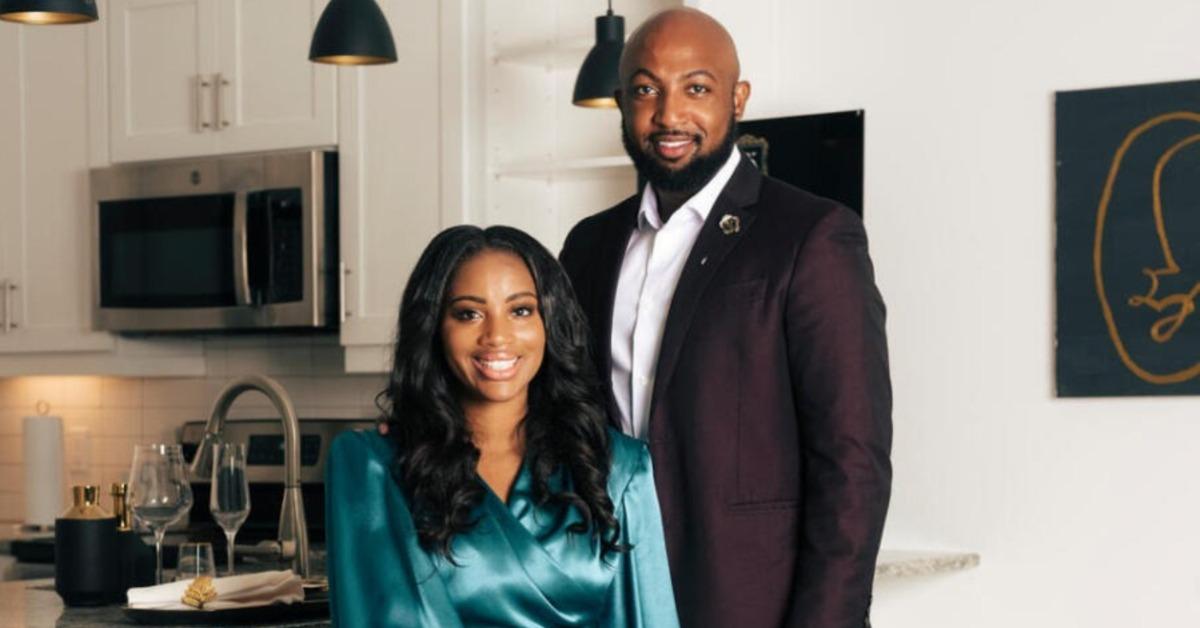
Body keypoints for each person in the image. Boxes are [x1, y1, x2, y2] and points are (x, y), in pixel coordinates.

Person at [559, 8, 892, 628]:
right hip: (611, 597)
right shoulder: (589, 246)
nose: (668, 114)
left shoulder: (812, 236)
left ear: (738, 99)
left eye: (697, 88)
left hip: (751, 605)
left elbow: (852, 461)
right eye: (646, 89)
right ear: (621, 101)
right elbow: (554, 412)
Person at [324, 225, 678, 627]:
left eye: (521, 310)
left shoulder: (619, 470)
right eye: (469, 313)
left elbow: (648, 619)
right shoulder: (371, 468)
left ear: (550, 322)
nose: (497, 336)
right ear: (435, 327)